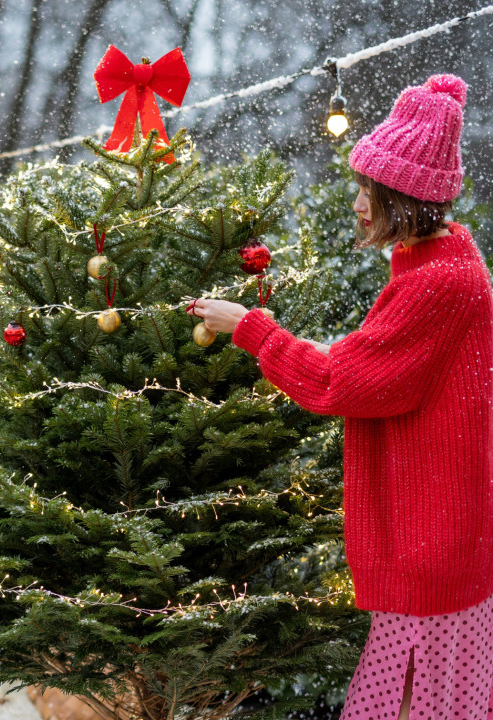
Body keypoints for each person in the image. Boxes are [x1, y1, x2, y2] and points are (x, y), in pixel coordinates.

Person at [187, 74, 493, 719]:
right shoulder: (438, 272)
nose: (355, 201)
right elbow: (373, 367)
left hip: (430, 544)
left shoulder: (439, 284)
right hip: (440, 540)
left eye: (367, 189)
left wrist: (251, 328)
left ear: (403, 199)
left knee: (418, 705)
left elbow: (341, 382)